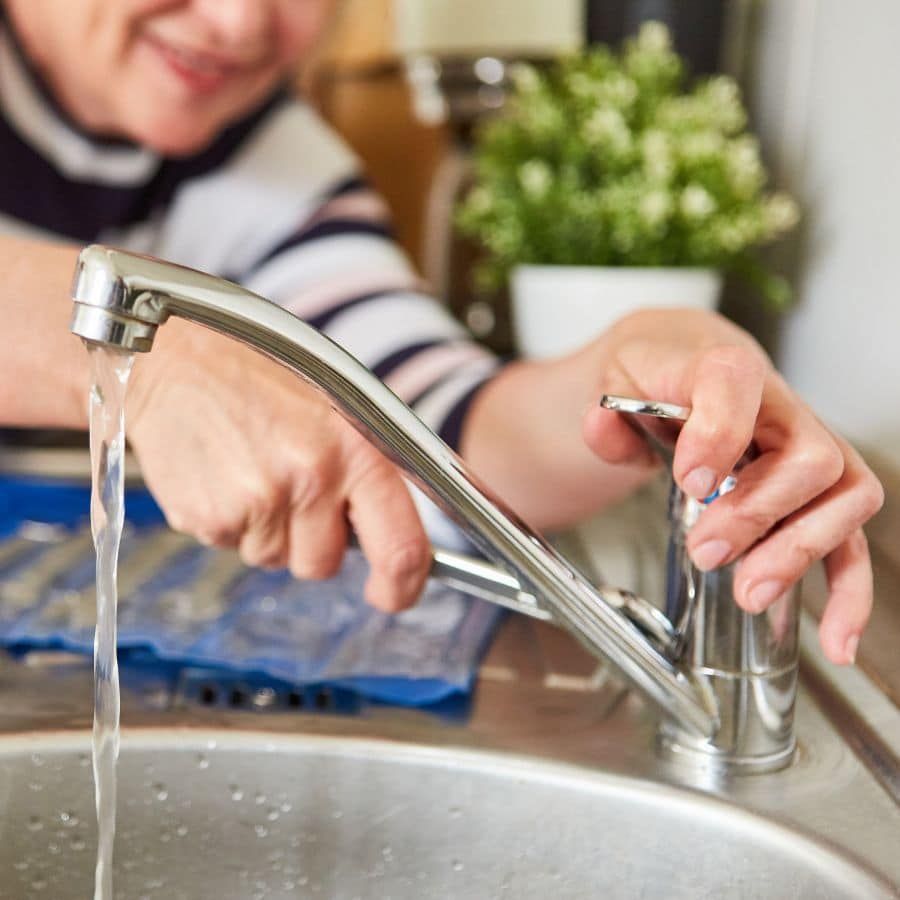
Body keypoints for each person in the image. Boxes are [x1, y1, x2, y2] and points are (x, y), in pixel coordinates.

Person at [0, 0, 883, 667]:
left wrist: (655, 364)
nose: (237, 20)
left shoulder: (272, 165)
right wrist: (149, 364)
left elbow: (427, 437)